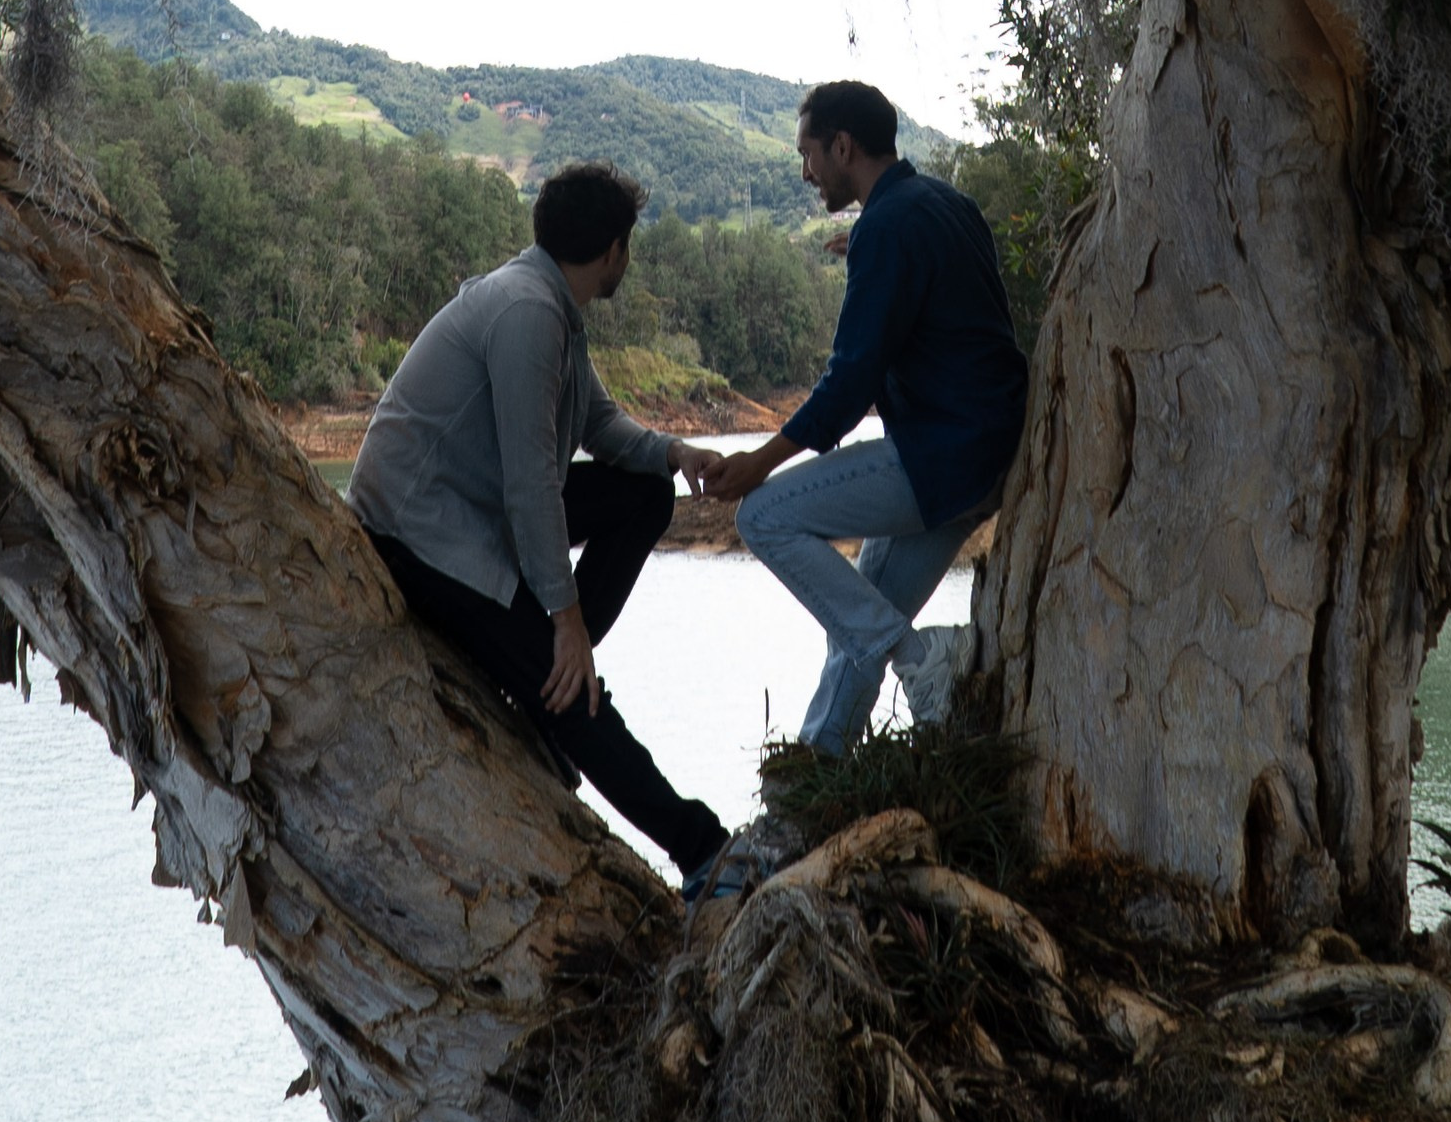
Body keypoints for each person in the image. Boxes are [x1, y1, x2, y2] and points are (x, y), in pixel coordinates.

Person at [348, 158, 739, 897]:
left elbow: (598, 423)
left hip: (477, 511)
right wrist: (565, 621)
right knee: (576, 697)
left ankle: (549, 678)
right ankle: (705, 853)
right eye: (630, 246)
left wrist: (676, 453)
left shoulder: (546, 300)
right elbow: (532, 487)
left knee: (644, 494)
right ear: (614, 250)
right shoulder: (527, 312)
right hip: (424, 537)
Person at [707, 80, 1030, 758]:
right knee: (859, 621)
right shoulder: (945, 205)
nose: (806, 172)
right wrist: (864, 245)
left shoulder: (886, 229)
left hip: (943, 456)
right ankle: (819, 766)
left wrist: (758, 464)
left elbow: (848, 384)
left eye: (808, 154)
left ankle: (919, 657)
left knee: (761, 517)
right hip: (989, 455)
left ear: (843, 146)